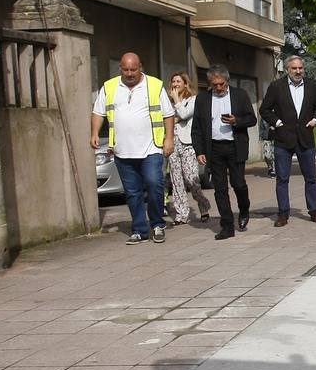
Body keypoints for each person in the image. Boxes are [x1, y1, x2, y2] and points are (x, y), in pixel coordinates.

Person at [91, 53, 175, 245]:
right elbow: (98, 112)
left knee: (154, 184)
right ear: (120, 68)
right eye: (126, 69)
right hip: (122, 150)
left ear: (141, 67)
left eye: (133, 69)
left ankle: (157, 225)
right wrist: (94, 132)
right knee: (132, 192)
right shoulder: (110, 87)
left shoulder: (154, 85)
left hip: (151, 148)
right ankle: (139, 230)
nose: (129, 73)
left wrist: (169, 139)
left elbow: (168, 114)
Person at [191, 65, 256, 240]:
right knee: (219, 188)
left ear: (227, 81)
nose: (219, 88)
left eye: (221, 84)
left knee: (238, 184)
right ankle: (227, 225)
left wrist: (237, 121)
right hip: (214, 148)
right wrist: (199, 151)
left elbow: (252, 119)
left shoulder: (240, 95)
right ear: (209, 83)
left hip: (235, 146)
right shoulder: (202, 99)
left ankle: (244, 209)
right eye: (215, 84)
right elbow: (196, 127)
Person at [260, 55, 316, 227]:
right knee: (282, 178)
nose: (298, 71)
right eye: (294, 68)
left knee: (311, 178)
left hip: (306, 138)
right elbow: (264, 109)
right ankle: (283, 214)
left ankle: (314, 211)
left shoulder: (311, 86)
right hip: (283, 139)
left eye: (300, 68)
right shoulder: (276, 87)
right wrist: (278, 123)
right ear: (287, 69)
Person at [166, 72, 212, 226]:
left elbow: (184, 114)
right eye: (173, 81)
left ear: (186, 84)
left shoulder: (193, 100)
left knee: (190, 178)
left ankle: (203, 204)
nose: (175, 84)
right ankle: (182, 214)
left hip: (188, 144)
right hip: (172, 143)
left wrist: (177, 101)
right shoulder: (167, 102)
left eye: (179, 81)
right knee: (176, 180)